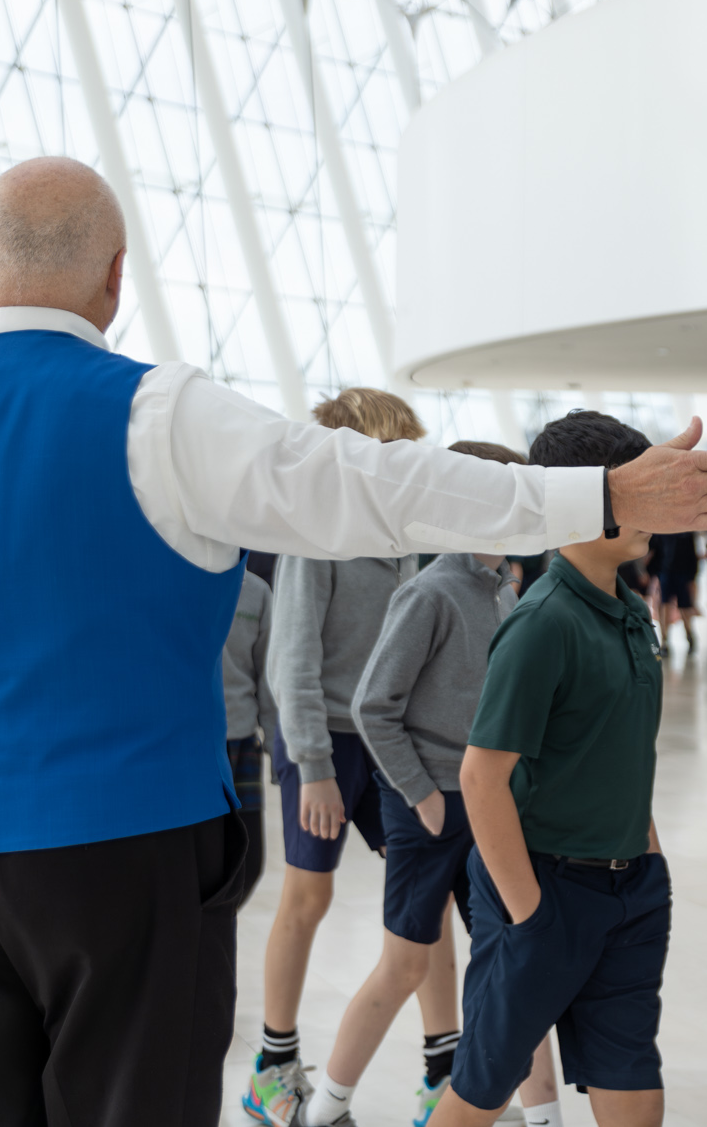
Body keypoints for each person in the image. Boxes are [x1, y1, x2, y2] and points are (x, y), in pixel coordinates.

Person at [0, 157, 707, 1127]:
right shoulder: (156, 415)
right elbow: (372, 485)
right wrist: (593, 493)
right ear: (118, 276)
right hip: (122, 851)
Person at [425, 410, 671, 1127]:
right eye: (635, 489)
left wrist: (646, 860)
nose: (652, 505)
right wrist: (530, 913)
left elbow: (623, 751)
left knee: (635, 1092)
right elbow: (481, 777)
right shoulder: (543, 622)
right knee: (482, 1089)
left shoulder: (630, 612)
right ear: (583, 501)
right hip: (545, 891)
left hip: (629, 891)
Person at [317, 440, 560, 1127]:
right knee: (403, 967)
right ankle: (327, 1106)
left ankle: (543, 1116)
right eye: (511, 497)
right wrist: (420, 793)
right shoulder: (427, 592)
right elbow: (372, 705)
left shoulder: (507, 592)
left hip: (490, 806)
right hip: (425, 810)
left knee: (517, 964)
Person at [250, 387, 443, 1127]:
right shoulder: (317, 535)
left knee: (424, 895)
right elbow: (291, 660)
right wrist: (313, 765)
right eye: (393, 445)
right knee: (310, 895)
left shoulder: (405, 534)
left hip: (391, 736)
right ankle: (273, 1068)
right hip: (323, 740)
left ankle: (443, 1067)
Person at [222, 563, 274, 917]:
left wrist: (281, 751)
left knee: (249, 863)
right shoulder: (168, 575)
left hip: (241, 743)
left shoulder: (256, 592)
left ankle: (211, 936)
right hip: (188, 746)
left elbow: (268, 676)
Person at [646, 531, 700, 653]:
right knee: (664, 605)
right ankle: (665, 640)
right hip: (665, 573)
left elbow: (692, 553)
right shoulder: (661, 530)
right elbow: (653, 550)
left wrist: (692, 577)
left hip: (682, 573)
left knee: (684, 606)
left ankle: (689, 634)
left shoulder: (686, 531)